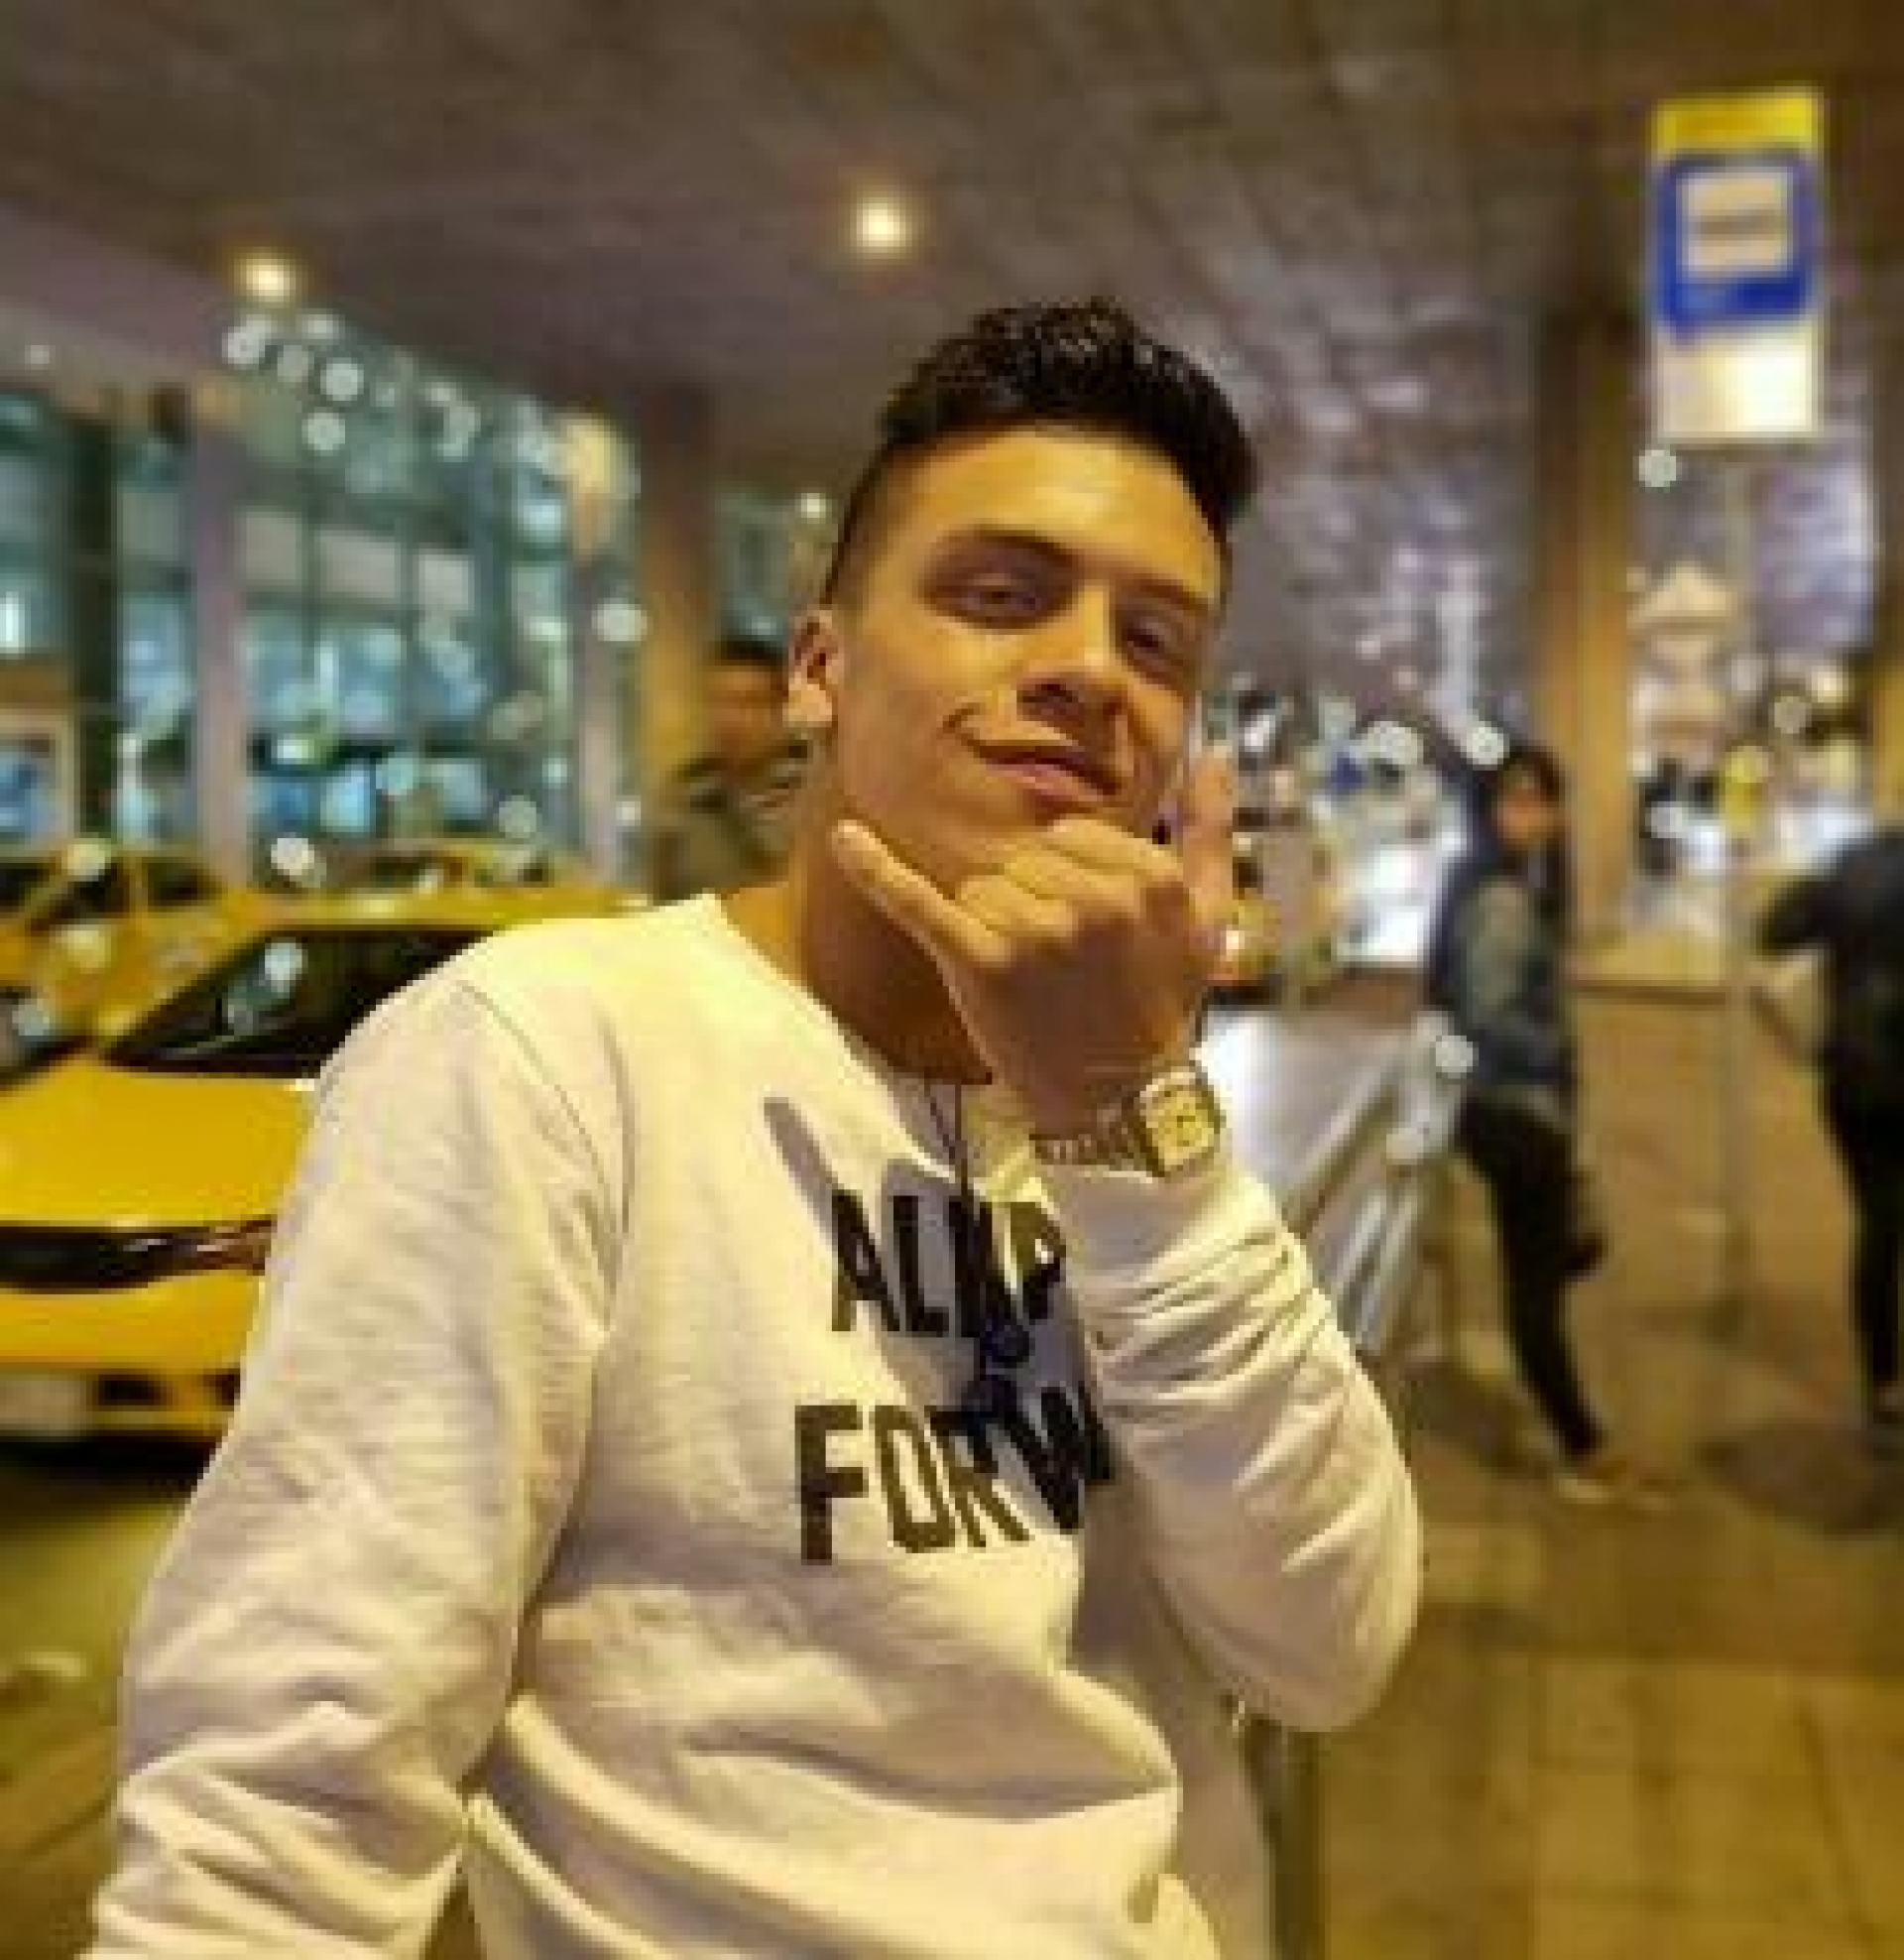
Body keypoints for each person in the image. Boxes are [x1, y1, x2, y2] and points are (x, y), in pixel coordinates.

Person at [89, 300, 1419, 1959]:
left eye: (1158, 642)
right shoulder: (546, 1057)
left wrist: (1127, 1121)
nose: (1091, 670)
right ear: (819, 669)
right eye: (999, 593)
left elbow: (1331, 1644)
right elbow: (281, 1799)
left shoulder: (1135, 1114)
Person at [1423, 740, 1651, 1506]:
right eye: (1515, 798)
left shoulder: (1500, 886)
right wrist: (1557, 1053)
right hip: (1516, 1112)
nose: (1533, 814)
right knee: (1537, 1285)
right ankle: (1584, 1446)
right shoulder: (1502, 901)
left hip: (1508, 1111)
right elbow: (1487, 1014)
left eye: (1543, 798)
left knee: (1551, 1264)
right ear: (1488, 809)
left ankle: (1571, 1423)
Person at [1758, 818, 1904, 1448]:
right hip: (1881, 1076)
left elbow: (1775, 930)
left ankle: (1883, 1385)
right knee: (1885, 1225)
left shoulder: (1855, 863)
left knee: (1882, 1225)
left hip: (1855, 1079)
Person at [649, 633, 805, 900]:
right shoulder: (683, 798)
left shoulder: (812, 793)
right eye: (720, 702)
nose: (731, 719)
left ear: (782, 711)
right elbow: (664, 904)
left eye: (749, 703)